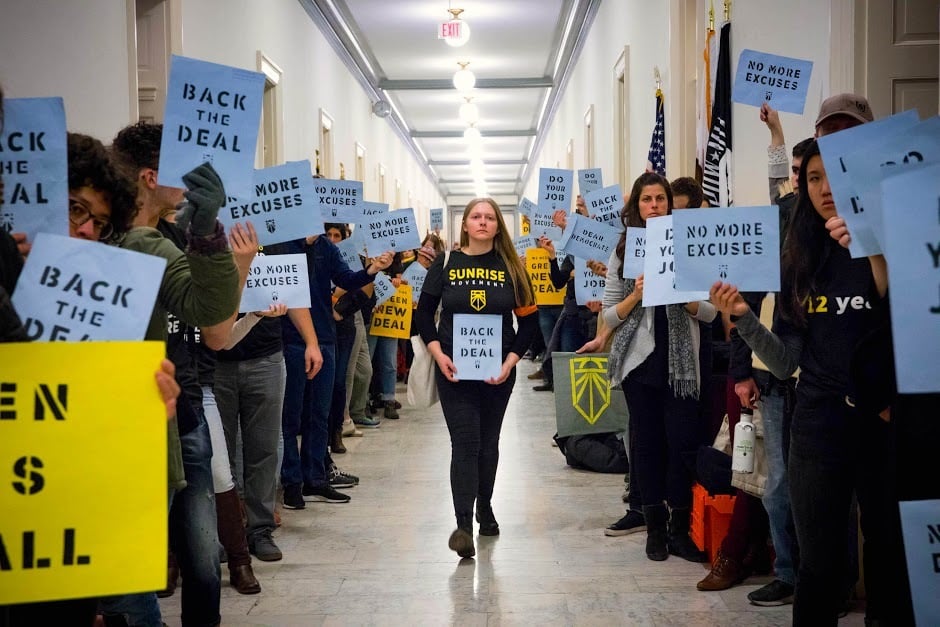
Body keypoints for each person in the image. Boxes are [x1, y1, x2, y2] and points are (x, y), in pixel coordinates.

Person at [709, 140, 911, 625]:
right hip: (818, 422)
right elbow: (783, 364)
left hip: (883, 420)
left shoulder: (892, 244)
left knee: (888, 553)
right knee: (817, 564)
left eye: (834, 177)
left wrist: (873, 250)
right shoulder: (799, 256)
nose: (825, 189)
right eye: (814, 178)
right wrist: (743, 318)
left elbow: (904, 321)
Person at [579, 173, 716, 563]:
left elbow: (708, 312)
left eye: (660, 199)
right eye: (646, 200)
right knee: (648, 444)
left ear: (670, 205)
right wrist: (637, 296)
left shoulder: (691, 247)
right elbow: (608, 313)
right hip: (641, 362)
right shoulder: (623, 252)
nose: (654, 206)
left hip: (682, 364)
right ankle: (654, 528)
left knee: (682, 444)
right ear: (635, 206)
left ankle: (679, 528)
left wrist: (684, 297)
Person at [416, 198, 538, 559]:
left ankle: (485, 506)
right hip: (454, 372)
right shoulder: (447, 263)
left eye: (489, 217)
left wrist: (510, 362)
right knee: (466, 443)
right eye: (476, 217)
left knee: (489, 443)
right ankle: (463, 525)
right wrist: (439, 354)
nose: (482, 222)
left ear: (498, 226)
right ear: (465, 225)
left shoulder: (513, 268)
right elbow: (423, 315)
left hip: (497, 373)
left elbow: (528, 323)